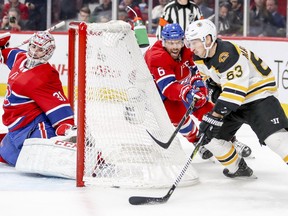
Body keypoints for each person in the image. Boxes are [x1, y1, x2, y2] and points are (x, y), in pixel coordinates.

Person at [185, 19, 288, 178]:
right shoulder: (199, 58)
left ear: (208, 39)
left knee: (276, 140)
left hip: (258, 97)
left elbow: (235, 93)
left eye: (194, 42)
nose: (191, 47)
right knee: (209, 138)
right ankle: (238, 168)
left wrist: (214, 116)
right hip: (235, 103)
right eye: (189, 43)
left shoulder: (227, 53)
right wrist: (211, 93)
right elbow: (212, 83)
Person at [144, 23, 251, 160]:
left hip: (184, 87)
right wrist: (188, 92)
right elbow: (168, 87)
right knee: (179, 118)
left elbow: (197, 71)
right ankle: (196, 141)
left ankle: (231, 140)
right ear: (163, 42)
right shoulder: (157, 56)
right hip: (163, 95)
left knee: (209, 112)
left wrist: (199, 87)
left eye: (178, 42)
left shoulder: (189, 50)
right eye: (171, 43)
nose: (175, 47)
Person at [0, 31, 75, 166]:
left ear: (48, 52)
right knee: (8, 155)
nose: (35, 52)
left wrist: (66, 126)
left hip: (34, 127)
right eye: (33, 46)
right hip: (16, 127)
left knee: (41, 162)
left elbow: (58, 103)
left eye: (40, 50)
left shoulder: (46, 75)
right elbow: (4, 54)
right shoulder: (20, 57)